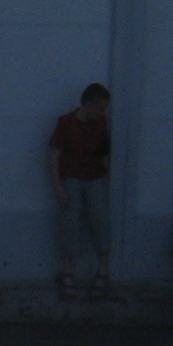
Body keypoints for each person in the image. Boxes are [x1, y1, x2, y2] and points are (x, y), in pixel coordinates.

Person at [48, 84, 113, 298]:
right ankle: (67, 270)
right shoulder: (66, 123)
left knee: (100, 220)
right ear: (89, 104)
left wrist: (107, 179)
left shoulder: (101, 123)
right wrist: (58, 187)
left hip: (95, 177)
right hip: (72, 177)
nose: (103, 112)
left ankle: (103, 268)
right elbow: (54, 155)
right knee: (71, 222)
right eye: (101, 107)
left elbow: (104, 153)